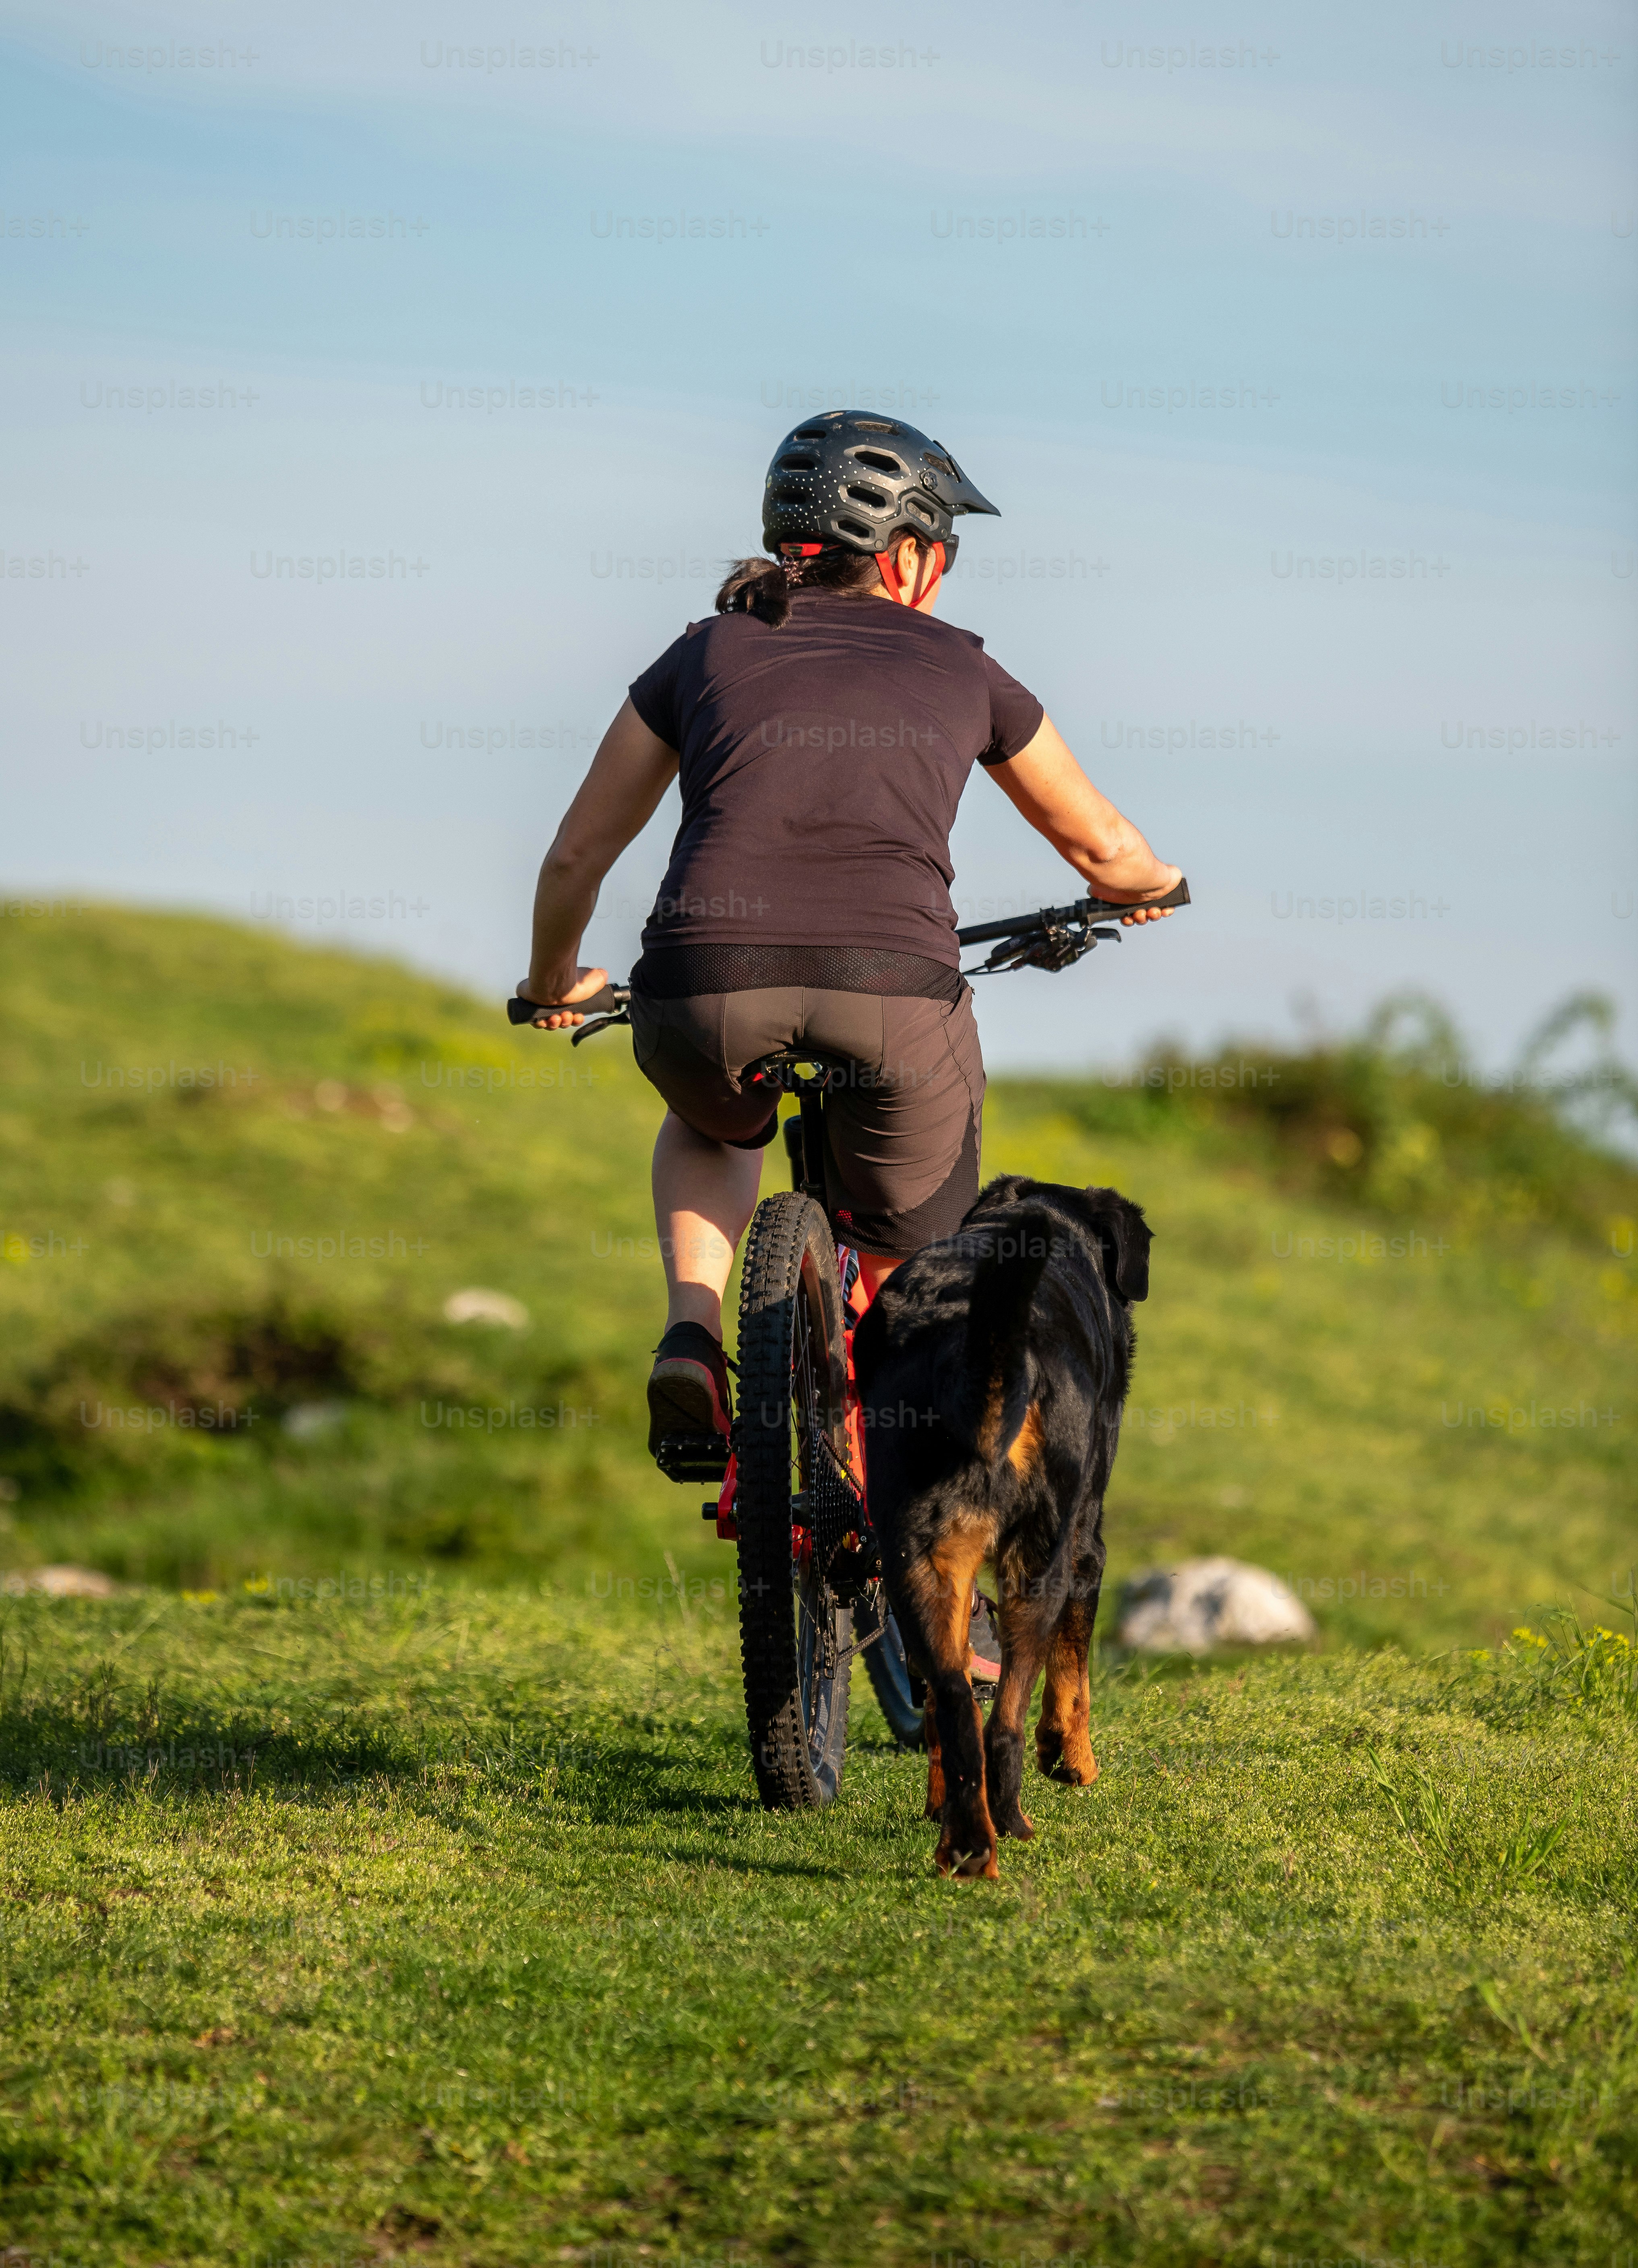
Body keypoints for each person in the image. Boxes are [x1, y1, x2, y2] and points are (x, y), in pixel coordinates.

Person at [516, 412, 1180, 1610]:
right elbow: (1104, 846)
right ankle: (925, 1541)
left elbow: (575, 854)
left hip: (703, 988)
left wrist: (553, 982)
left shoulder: (704, 652)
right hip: (894, 1000)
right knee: (921, 1263)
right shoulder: (965, 667)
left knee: (717, 1127)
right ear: (913, 554)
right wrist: (1141, 891)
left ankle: (688, 1334)